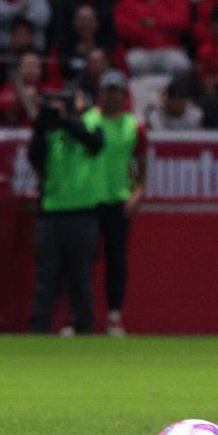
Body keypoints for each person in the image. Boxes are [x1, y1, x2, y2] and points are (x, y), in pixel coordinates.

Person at [28, 82, 105, 335]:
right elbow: (35, 157)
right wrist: (40, 126)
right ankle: (39, 330)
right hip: (52, 209)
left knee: (81, 278)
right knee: (46, 277)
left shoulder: (92, 119)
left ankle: (84, 328)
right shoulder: (51, 125)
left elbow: (94, 143)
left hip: (83, 210)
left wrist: (68, 120)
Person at [83, 71, 146, 337]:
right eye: (107, 90)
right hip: (87, 199)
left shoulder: (134, 126)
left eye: (116, 90)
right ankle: (80, 315)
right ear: (101, 93)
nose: (111, 95)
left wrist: (137, 193)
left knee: (116, 261)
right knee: (82, 261)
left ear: (124, 94)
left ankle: (114, 316)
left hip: (119, 201)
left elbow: (141, 164)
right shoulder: (88, 120)